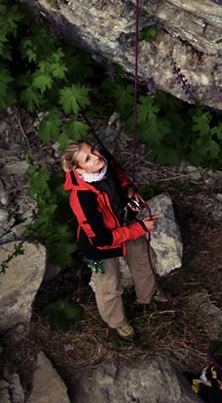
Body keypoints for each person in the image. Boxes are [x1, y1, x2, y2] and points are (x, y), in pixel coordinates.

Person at [61, 140, 162, 341]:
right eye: (88, 159)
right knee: (109, 284)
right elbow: (101, 238)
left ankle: (147, 296)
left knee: (144, 259)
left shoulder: (105, 162)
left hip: (124, 223)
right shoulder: (81, 199)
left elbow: (120, 179)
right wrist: (140, 228)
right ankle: (118, 322)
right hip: (99, 244)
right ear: (78, 170)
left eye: (93, 150)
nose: (97, 157)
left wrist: (130, 193)